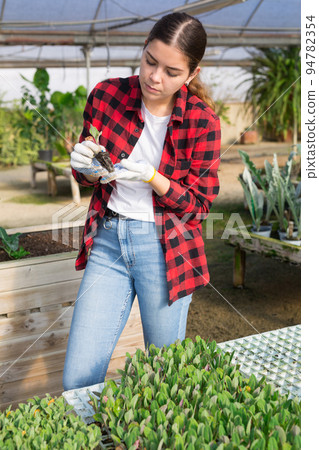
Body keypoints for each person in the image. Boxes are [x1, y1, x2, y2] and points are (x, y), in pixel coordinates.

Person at [63, 12, 221, 391]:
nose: (155, 77)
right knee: (78, 380)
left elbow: (199, 206)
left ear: (191, 74)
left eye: (171, 71)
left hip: (166, 249)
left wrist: (155, 178)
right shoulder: (107, 96)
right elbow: (91, 176)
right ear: (144, 49)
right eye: (150, 61)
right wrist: (83, 167)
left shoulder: (203, 122)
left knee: (163, 378)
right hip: (108, 241)